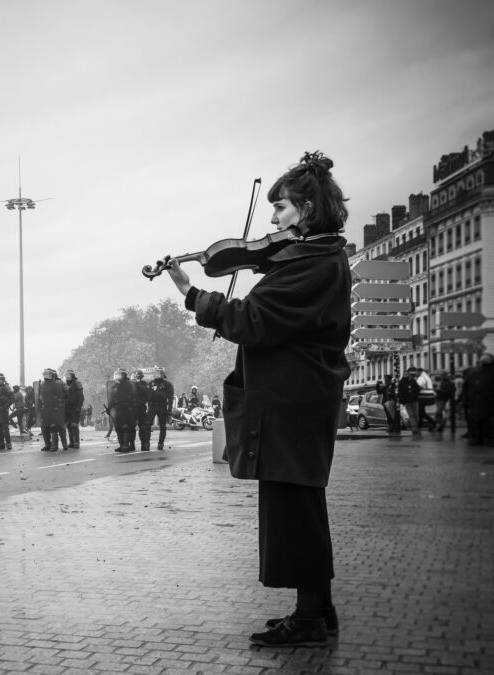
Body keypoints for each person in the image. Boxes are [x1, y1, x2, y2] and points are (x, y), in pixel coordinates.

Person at [162, 150, 351, 647]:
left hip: (293, 398)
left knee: (295, 509)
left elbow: (252, 320)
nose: (272, 220)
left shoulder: (311, 262)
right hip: (299, 396)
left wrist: (192, 296)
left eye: (283, 208)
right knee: (301, 507)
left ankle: (310, 619)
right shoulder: (317, 256)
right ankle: (318, 609)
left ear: (307, 210)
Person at [462, 354, 494, 447]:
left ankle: (477, 439)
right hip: (490, 402)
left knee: (477, 421)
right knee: (490, 422)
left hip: (475, 402)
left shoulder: (472, 372)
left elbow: (466, 387)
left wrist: (466, 401)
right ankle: (490, 439)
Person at [36, 368, 66, 451]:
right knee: (44, 427)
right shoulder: (42, 384)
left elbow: (65, 394)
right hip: (45, 408)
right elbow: (39, 397)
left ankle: (57, 444)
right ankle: (48, 444)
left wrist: (60, 404)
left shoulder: (59, 383)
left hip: (56, 408)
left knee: (56, 427)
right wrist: (39, 407)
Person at [148, 368, 175, 449]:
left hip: (162, 406)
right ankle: (146, 442)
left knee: (163, 426)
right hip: (152, 406)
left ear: (163, 375)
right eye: (157, 373)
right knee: (147, 425)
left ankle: (160, 443)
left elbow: (170, 398)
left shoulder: (167, 384)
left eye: (160, 373)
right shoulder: (150, 383)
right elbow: (145, 395)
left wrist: (169, 411)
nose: (158, 374)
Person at [111, 369, 137, 453]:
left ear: (124, 375)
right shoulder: (115, 385)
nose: (117, 377)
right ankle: (121, 445)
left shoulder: (129, 384)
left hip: (127, 408)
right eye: (116, 375)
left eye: (119, 375)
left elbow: (133, 396)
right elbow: (112, 397)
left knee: (125, 427)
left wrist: (131, 406)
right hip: (118, 408)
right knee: (118, 427)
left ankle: (126, 445)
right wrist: (110, 407)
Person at [397, 368, 422, 439]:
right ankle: (414, 429)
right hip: (407, 402)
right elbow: (400, 392)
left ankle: (416, 427)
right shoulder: (401, 383)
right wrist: (402, 401)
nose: (406, 375)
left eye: (407, 374)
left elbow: (418, 389)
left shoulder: (412, 381)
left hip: (414, 401)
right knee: (411, 415)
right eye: (404, 374)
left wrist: (412, 392)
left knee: (416, 415)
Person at [64, 370, 84, 449]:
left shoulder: (77, 383)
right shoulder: (65, 385)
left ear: (72, 376)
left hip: (75, 408)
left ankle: (76, 442)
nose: (67, 377)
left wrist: (79, 407)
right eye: (66, 376)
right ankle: (71, 442)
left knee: (74, 425)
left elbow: (81, 397)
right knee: (69, 425)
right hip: (67, 408)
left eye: (69, 376)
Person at [132, 369, 152, 451]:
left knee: (144, 427)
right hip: (131, 408)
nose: (137, 379)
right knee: (130, 427)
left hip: (141, 408)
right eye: (136, 377)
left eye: (139, 377)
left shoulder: (144, 384)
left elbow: (147, 392)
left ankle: (145, 444)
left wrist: (138, 384)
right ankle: (129, 444)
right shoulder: (131, 384)